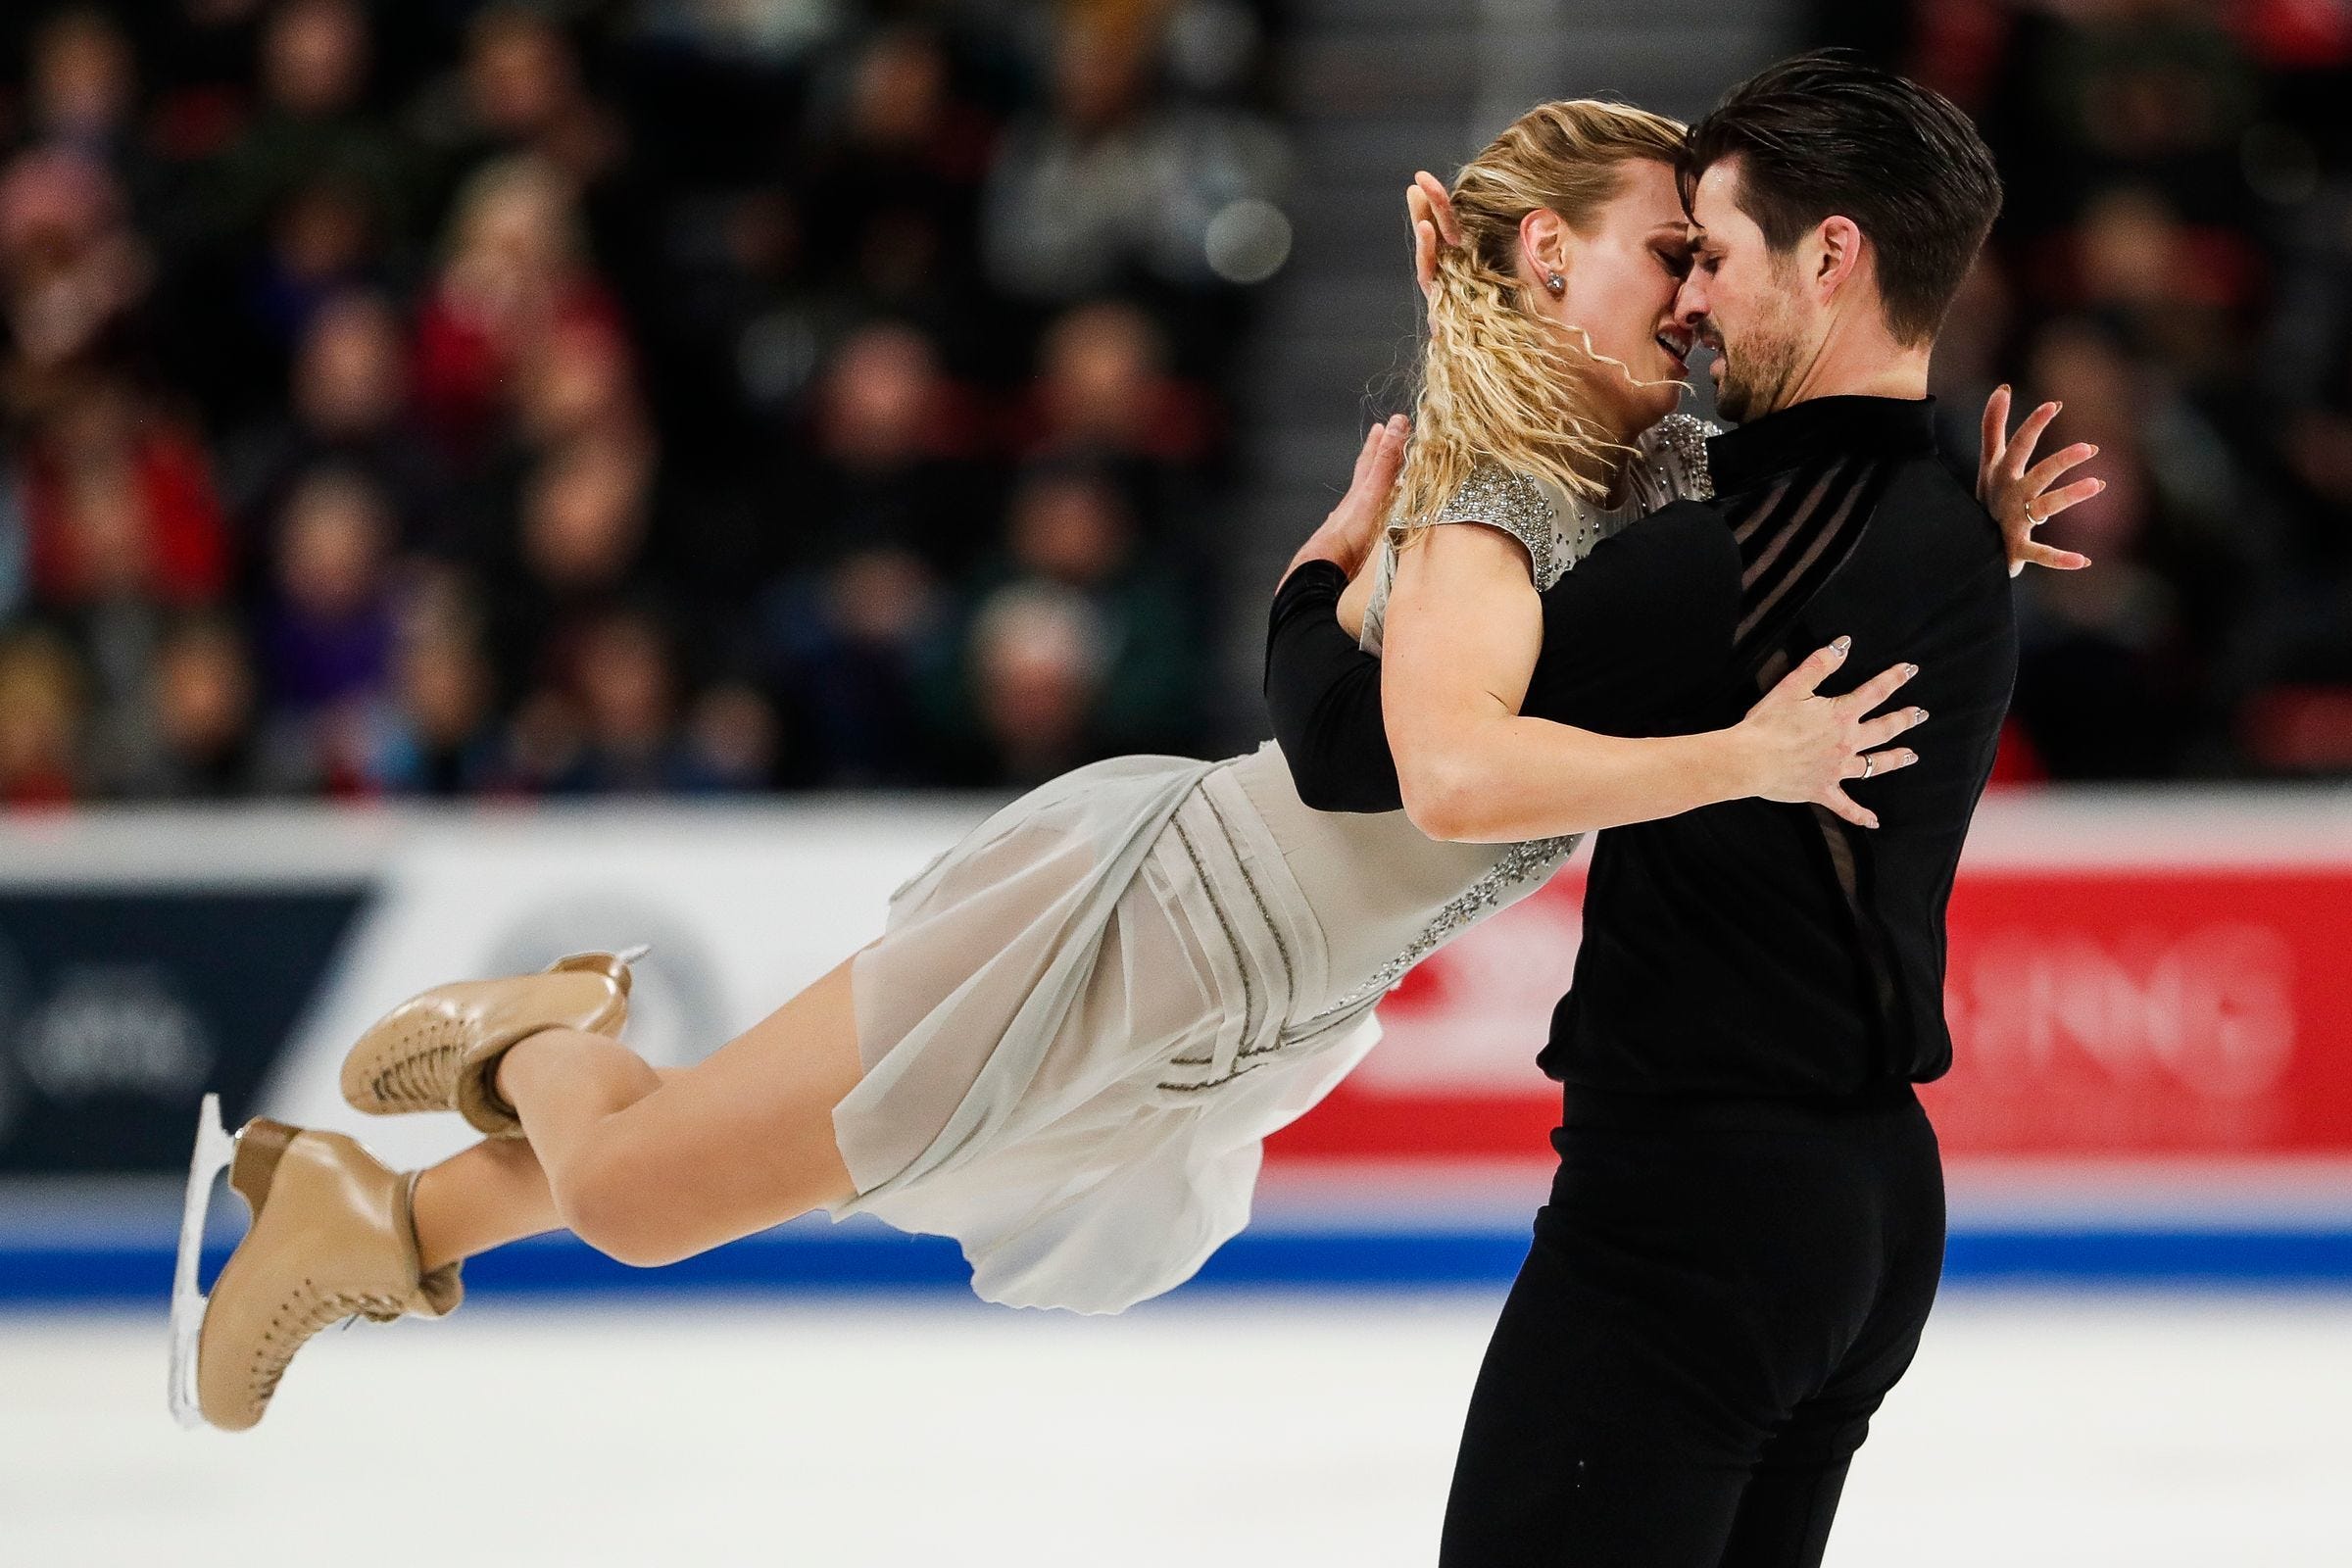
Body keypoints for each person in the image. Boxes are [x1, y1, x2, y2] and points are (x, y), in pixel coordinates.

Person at [167, 94, 2082, 1439]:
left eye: (1701, 259)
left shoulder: (1655, 480)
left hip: (1248, 993)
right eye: (1667, 250)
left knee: (749, 1171)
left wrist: (1959, 532)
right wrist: (1737, 751)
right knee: (666, 1190)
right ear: (1547, 252)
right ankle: (535, 1031)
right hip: (1157, 912)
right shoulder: (1494, 502)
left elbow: (1797, 512)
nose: (1689, 295)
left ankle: (376, 1222)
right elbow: (1429, 777)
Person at [1266, 54, 2084, 1568]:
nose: (1690, 302)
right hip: (1876, 1215)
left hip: (1693, 1221)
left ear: (1831, 257)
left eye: (1709, 253)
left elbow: (1348, 747)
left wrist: (1318, 577)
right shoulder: (1955, 529)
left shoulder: (1721, 568)